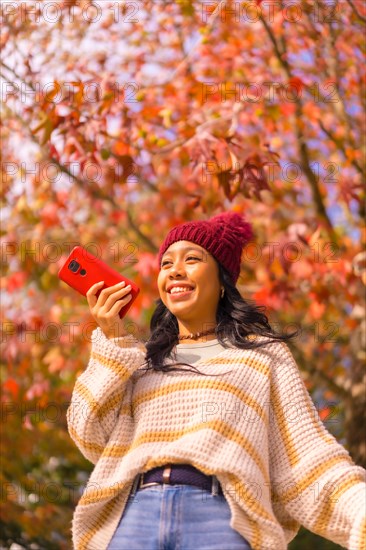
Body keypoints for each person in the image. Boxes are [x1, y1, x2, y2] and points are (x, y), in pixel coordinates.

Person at [67, 212, 366, 550]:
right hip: (134, 519)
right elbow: (89, 434)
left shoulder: (262, 356)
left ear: (222, 281)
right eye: (166, 264)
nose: (175, 270)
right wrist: (111, 341)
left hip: (218, 521)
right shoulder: (139, 361)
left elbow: (308, 458)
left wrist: (359, 510)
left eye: (192, 259)